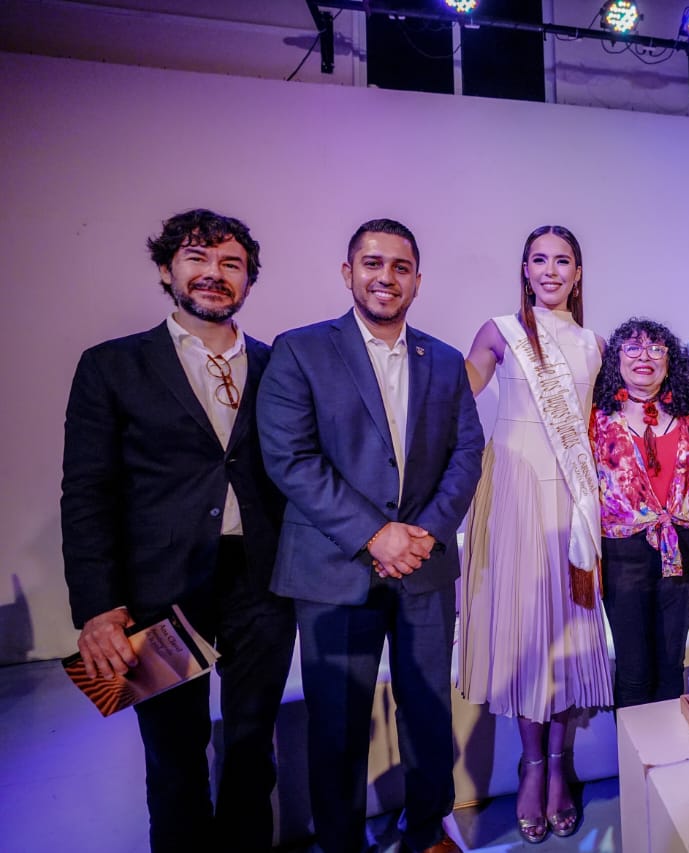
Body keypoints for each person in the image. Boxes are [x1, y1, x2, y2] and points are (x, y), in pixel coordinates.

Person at [61, 209, 295, 853]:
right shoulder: (112, 365)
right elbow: (86, 494)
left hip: (262, 586)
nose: (214, 273)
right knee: (172, 754)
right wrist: (99, 608)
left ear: (248, 280)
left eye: (231, 263)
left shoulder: (280, 366)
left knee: (252, 746)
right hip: (159, 591)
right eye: (197, 258)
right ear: (167, 270)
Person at [256, 219, 483, 853]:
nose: (386, 277)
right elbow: (290, 458)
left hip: (425, 567)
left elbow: (467, 452)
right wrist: (374, 535)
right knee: (337, 723)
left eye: (400, 267)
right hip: (334, 568)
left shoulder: (443, 359)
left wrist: (426, 534)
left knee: (429, 713)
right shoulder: (300, 350)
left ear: (417, 280)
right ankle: (340, 843)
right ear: (348, 272)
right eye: (373, 264)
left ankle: (428, 832)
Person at [457, 225, 611, 844]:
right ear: (525, 269)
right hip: (515, 495)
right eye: (539, 260)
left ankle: (560, 762)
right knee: (525, 630)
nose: (550, 271)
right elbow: (457, 389)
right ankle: (533, 765)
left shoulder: (596, 343)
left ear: (578, 272)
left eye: (562, 261)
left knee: (567, 630)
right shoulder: (501, 331)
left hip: (573, 500)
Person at [590, 319, 689, 709]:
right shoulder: (597, 419)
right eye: (633, 348)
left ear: (669, 360)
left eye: (656, 349)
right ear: (617, 358)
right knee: (634, 670)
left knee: (671, 665)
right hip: (622, 553)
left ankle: (670, 747)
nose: (645, 357)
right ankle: (634, 749)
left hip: (683, 548)